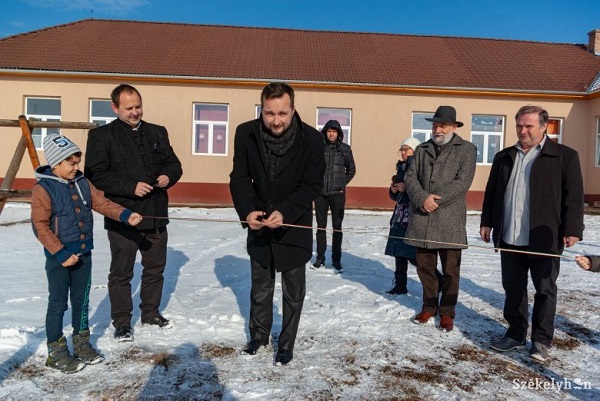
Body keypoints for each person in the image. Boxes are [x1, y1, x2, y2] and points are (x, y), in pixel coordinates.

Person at [229, 82, 325, 366]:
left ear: (293, 109)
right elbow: (239, 178)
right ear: (261, 109)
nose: (276, 120)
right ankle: (258, 336)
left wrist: (285, 212)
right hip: (259, 222)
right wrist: (247, 211)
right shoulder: (245, 133)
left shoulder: (312, 139)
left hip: (294, 224)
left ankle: (286, 344)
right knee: (260, 288)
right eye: (269, 113)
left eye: (282, 113)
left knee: (293, 292)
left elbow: (311, 185)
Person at [480, 105, 584, 362]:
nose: (523, 131)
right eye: (519, 125)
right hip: (510, 234)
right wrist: (487, 222)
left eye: (529, 126)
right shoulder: (504, 156)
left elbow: (574, 196)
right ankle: (515, 334)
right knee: (513, 287)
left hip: (544, 237)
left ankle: (540, 340)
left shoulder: (564, 156)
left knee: (545, 289)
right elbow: (492, 192)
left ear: (544, 126)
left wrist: (573, 229)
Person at [32, 134, 142, 373]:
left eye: (77, 162)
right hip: (59, 258)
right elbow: (40, 226)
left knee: (81, 302)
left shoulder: (82, 183)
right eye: (70, 163)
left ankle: (81, 343)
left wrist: (125, 214)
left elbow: (102, 203)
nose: (76, 167)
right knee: (58, 304)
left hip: (84, 254)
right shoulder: (43, 189)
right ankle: (56, 351)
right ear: (56, 164)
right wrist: (61, 254)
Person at [85, 84, 183, 342]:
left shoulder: (158, 132)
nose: (135, 112)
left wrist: (168, 176)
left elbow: (174, 164)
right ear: (114, 107)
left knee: (155, 269)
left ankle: (150, 313)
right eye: (128, 108)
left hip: (156, 215)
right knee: (121, 273)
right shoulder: (101, 136)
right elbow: (95, 175)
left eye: (138, 106)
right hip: (123, 217)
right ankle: (122, 322)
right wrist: (130, 187)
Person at [404, 105, 477, 332]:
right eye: (435, 125)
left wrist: (435, 200)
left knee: (450, 271)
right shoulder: (422, 149)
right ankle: (429, 307)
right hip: (422, 218)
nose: (438, 130)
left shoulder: (467, 150)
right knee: (424, 268)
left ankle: (447, 312)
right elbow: (410, 177)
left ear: (454, 127)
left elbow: (462, 182)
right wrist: (422, 198)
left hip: (449, 220)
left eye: (442, 126)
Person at [312, 119, 356, 272]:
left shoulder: (345, 149)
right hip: (321, 194)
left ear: (338, 133)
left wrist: (341, 183)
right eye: (329, 131)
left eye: (334, 131)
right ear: (325, 132)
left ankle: (336, 260)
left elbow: (352, 170)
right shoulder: (318, 148)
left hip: (337, 194)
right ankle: (320, 258)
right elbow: (312, 168)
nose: (331, 134)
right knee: (321, 227)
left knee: (337, 227)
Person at [384, 136, 420, 294]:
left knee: (413, 255)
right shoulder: (401, 167)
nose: (404, 152)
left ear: (415, 150)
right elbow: (396, 196)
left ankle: (437, 280)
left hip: (412, 215)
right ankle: (400, 285)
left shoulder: (418, 167)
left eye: (407, 149)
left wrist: (406, 189)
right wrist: (393, 190)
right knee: (398, 251)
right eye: (402, 150)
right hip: (400, 214)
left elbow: (420, 191)